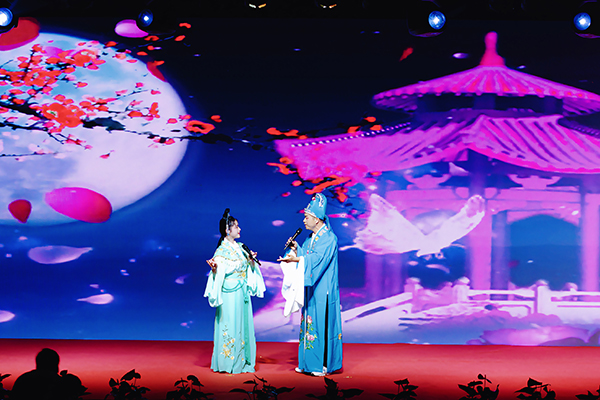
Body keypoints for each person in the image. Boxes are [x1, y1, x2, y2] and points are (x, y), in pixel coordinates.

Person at [278, 193, 342, 376]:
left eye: (307, 217)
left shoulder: (329, 238)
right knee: (309, 323)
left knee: (321, 324)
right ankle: (307, 363)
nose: (304, 220)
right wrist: (296, 250)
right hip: (312, 287)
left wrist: (299, 259)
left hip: (324, 288)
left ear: (316, 218)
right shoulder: (310, 238)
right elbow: (307, 256)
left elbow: (316, 259)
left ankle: (322, 365)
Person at [204, 208, 266, 374]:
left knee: (242, 324)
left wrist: (251, 260)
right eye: (236, 226)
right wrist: (215, 268)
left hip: (241, 292)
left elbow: (245, 267)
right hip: (229, 293)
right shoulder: (221, 251)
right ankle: (228, 362)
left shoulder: (240, 247)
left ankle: (243, 360)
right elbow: (219, 269)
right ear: (227, 230)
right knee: (230, 323)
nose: (239, 229)